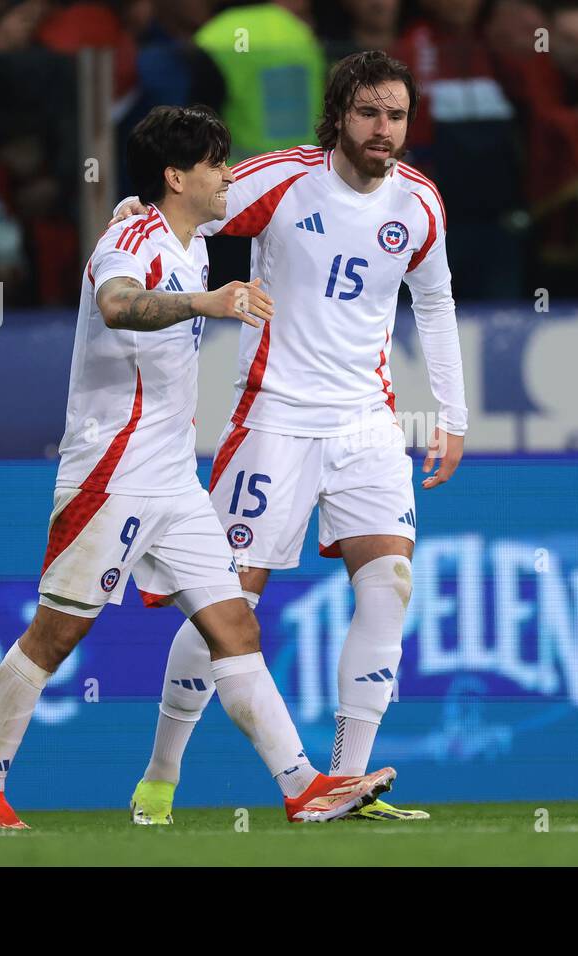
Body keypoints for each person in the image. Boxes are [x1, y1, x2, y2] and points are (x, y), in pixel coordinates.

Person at [0, 105, 396, 829]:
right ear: (175, 174)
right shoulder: (131, 238)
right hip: (110, 472)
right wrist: (205, 303)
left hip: (172, 482)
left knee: (234, 627)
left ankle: (303, 786)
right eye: (217, 162)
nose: (228, 174)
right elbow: (119, 302)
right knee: (55, 635)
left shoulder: (187, 240)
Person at [114, 51, 466, 825]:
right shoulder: (282, 178)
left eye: (398, 115)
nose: (385, 129)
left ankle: (345, 780)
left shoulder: (421, 203)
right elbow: (191, 206)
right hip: (274, 416)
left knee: (391, 586)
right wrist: (133, 218)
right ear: (338, 113)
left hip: (369, 420)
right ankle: (160, 776)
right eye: (370, 112)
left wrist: (453, 414)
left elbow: (434, 304)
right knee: (226, 603)